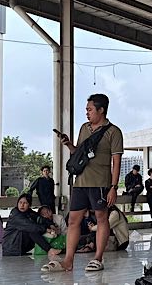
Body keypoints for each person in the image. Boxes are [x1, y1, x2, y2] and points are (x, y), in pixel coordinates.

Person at [44, 93, 123, 273]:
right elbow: (79, 153)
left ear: (101, 110)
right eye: (86, 109)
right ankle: (68, 261)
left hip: (101, 183)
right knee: (73, 220)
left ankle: (98, 258)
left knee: (102, 218)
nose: (87, 113)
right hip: (80, 182)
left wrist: (113, 187)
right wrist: (69, 145)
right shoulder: (84, 128)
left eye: (89, 109)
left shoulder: (113, 132)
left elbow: (116, 162)